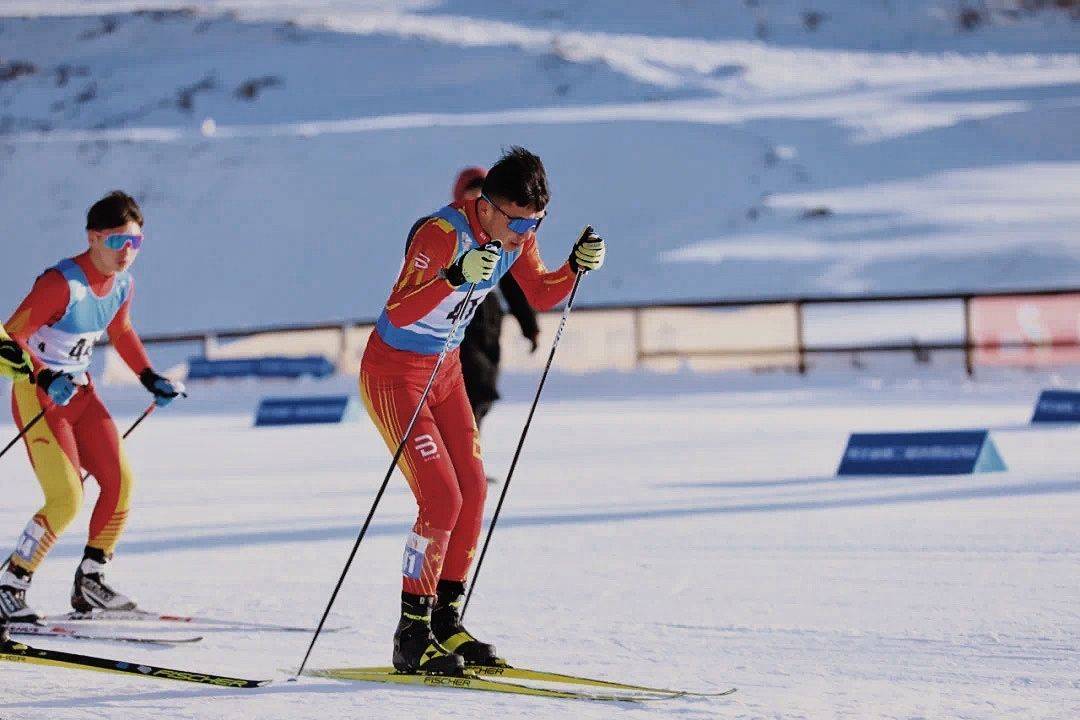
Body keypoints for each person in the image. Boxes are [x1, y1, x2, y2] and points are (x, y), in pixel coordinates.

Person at [360, 147, 605, 675]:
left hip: (443, 371)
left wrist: (573, 269)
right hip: (394, 375)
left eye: (537, 221)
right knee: (441, 498)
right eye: (518, 221)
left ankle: (445, 623)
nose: (525, 232)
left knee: (472, 489)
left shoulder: (520, 232)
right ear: (487, 207)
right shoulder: (441, 235)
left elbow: (539, 293)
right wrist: (452, 277)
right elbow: (399, 307)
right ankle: (411, 635)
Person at [0, 191, 185, 624]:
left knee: (121, 483)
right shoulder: (61, 283)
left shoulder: (123, 283)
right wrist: (45, 375)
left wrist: (149, 377)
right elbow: (8, 338)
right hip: (39, 394)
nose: (128, 254)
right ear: (94, 238)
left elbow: (120, 331)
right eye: (119, 243)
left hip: (80, 393)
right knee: (65, 498)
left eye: (135, 244)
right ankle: (11, 584)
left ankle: (91, 581)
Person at [453, 168, 540, 484]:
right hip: (458, 326)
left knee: (484, 394)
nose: (476, 198)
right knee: (470, 393)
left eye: (482, 192)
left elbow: (513, 283)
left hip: (488, 322)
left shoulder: (500, 235)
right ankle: (462, 467)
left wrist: (528, 324)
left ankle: (469, 462)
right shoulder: (453, 230)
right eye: (470, 192)